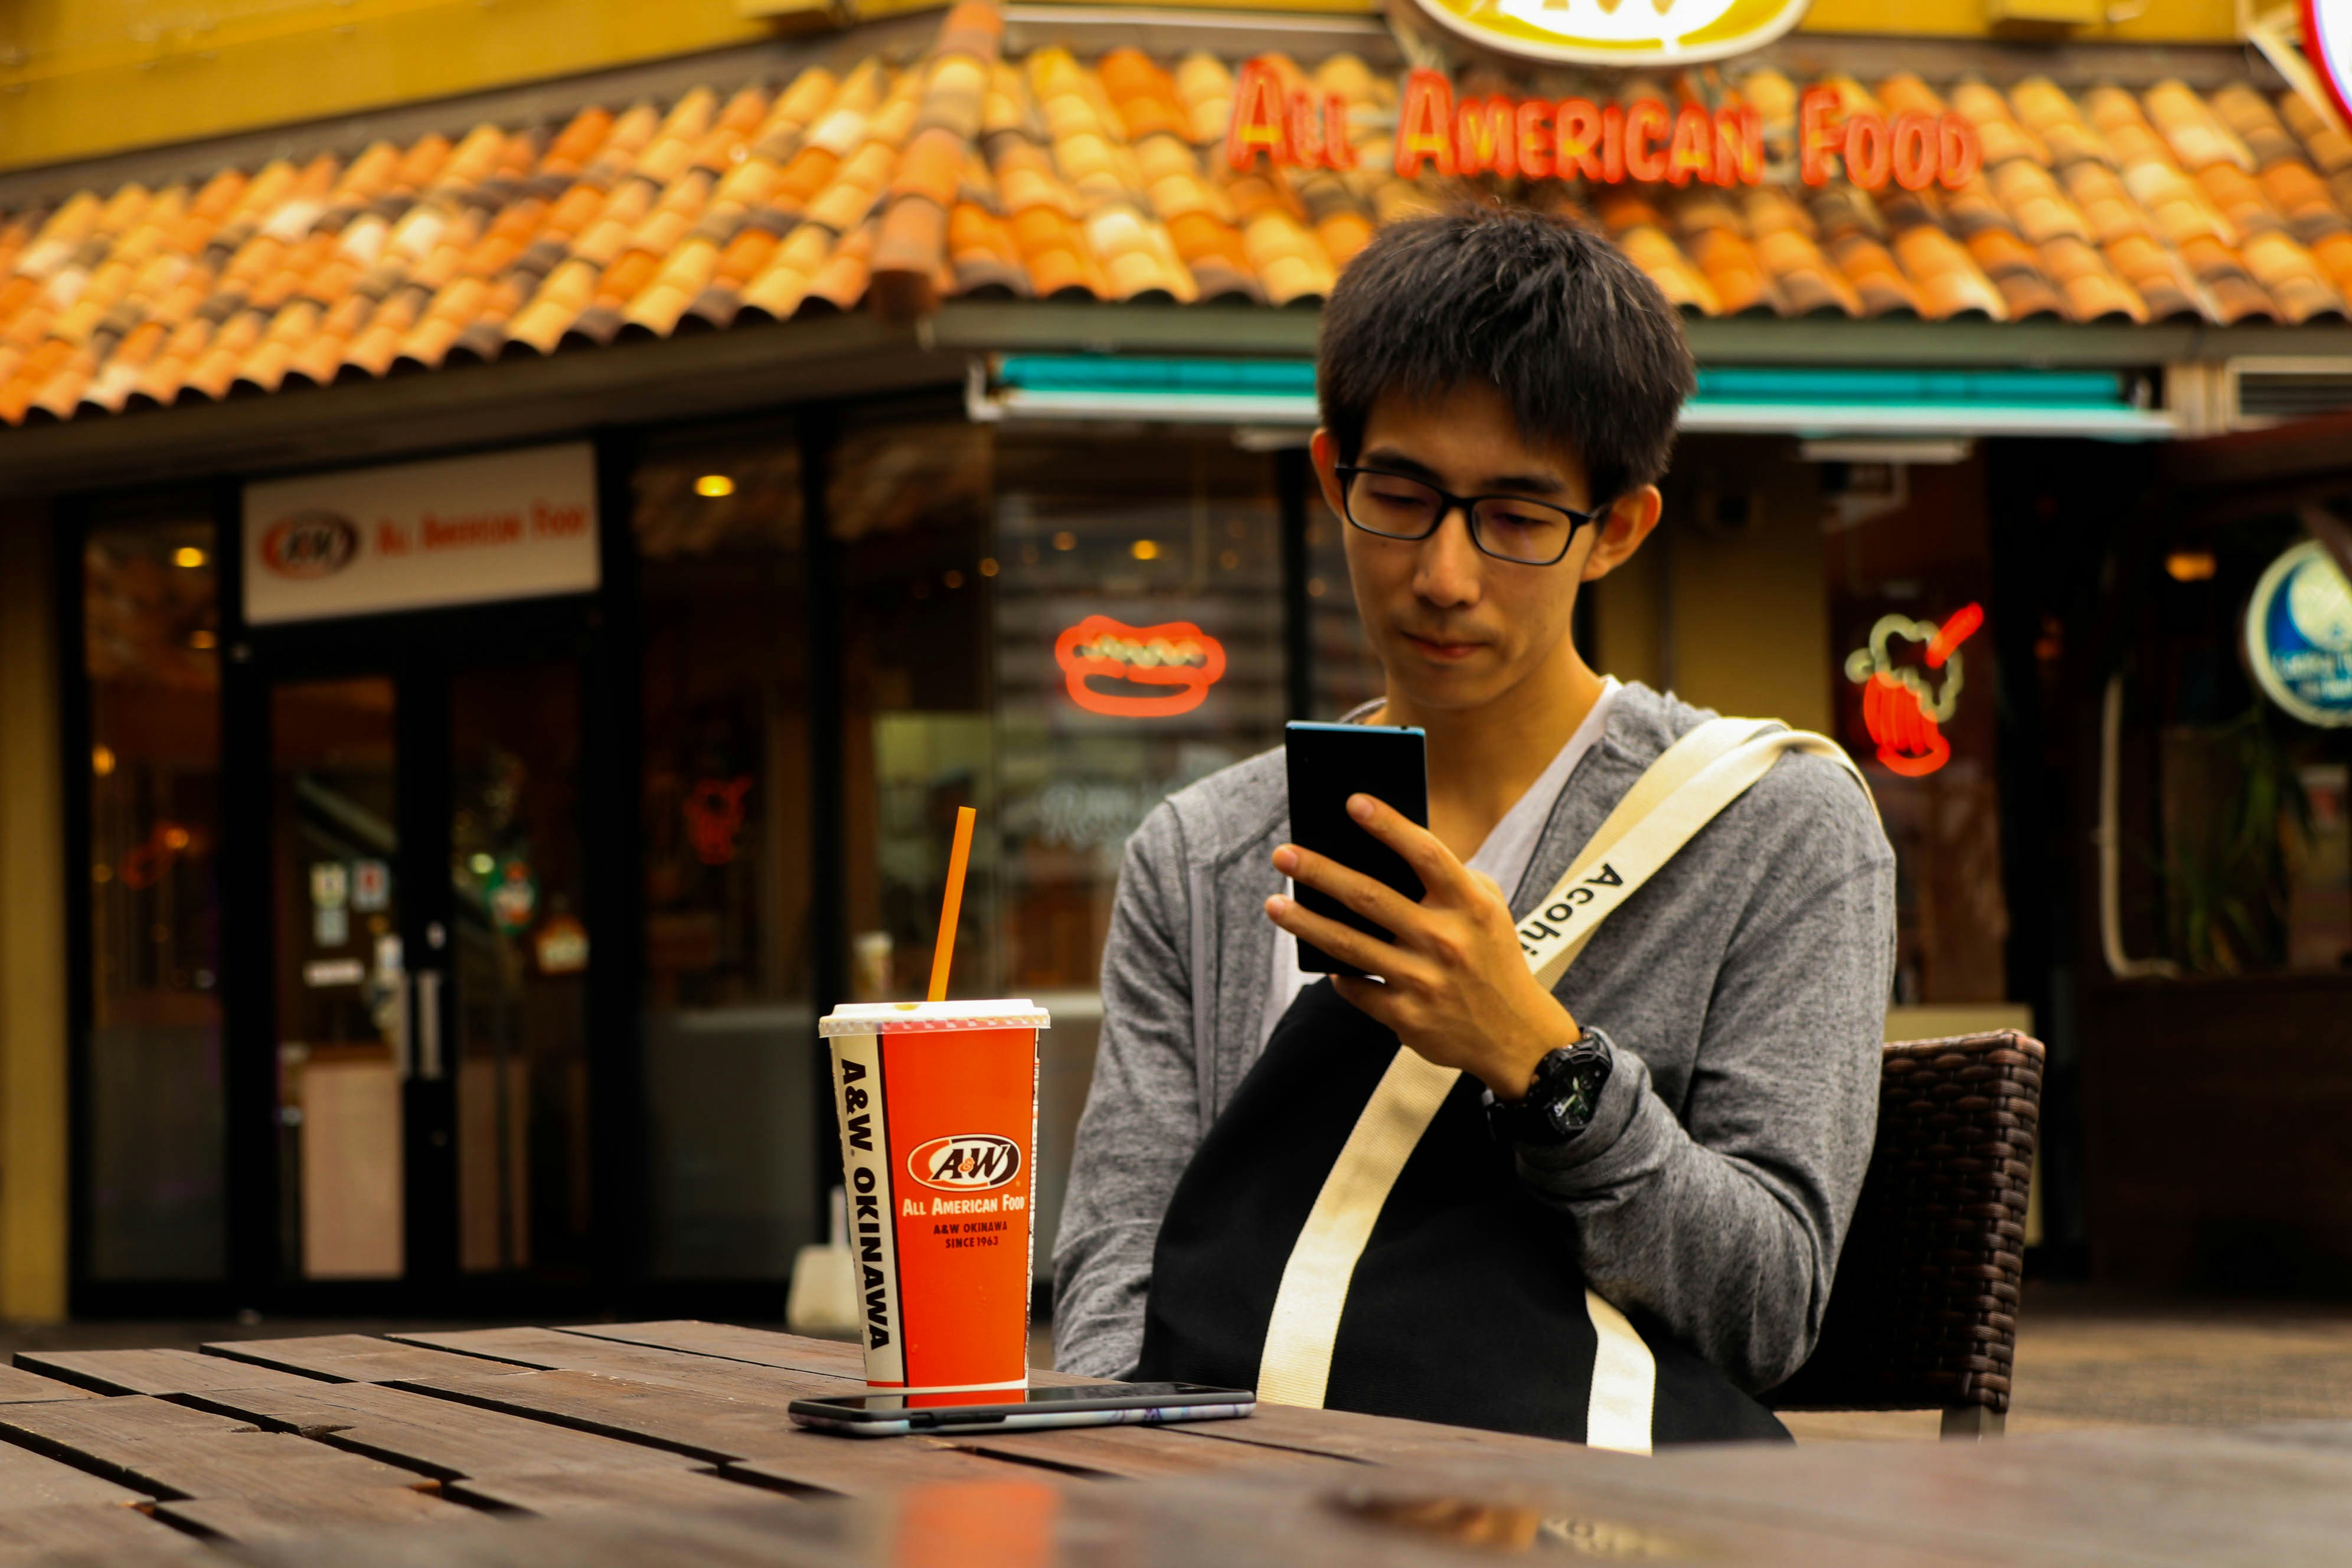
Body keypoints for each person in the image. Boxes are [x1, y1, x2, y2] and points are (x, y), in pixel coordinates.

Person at [1051, 207, 1895, 1425]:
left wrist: (1539, 1060)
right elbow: (1117, 1269)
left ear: (1618, 529)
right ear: (1329, 472)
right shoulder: (1204, 851)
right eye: (1398, 494)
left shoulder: (1776, 825)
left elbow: (1765, 1309)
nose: (1443, 574)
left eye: (1514, 516)